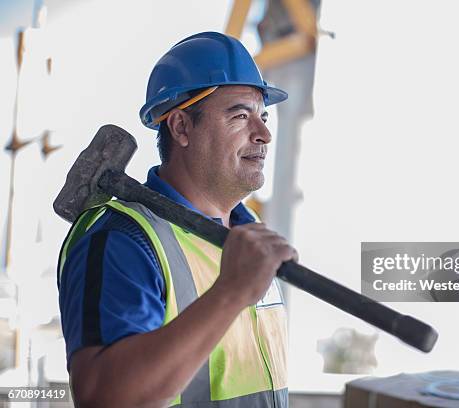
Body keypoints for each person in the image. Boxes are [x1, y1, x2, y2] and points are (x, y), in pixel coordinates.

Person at [57, 31, 296, 408]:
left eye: (263, 116)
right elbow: (104, 396)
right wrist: (230, 293)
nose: (264, 133)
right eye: (240, 115)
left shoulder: (252, 242)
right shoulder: (123, 240)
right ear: (182, 127)